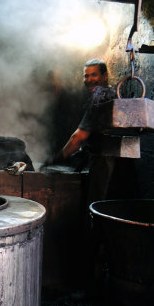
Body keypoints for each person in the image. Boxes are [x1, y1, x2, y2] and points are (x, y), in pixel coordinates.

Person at [50, 58, 117, 204]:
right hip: (113, 164)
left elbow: (78, 138)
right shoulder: (112, 94)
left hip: (104, 163)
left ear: (104, 76)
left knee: (97, 207)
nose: (89, 79)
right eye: (86, 76)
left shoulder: (100, 98)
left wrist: (59, 157)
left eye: (94, 75)